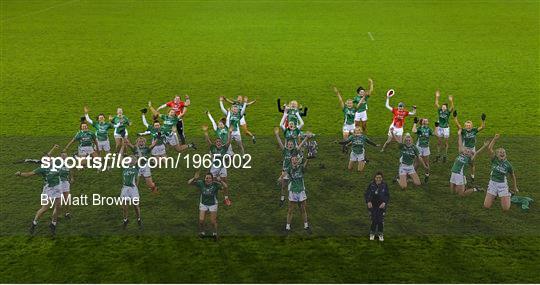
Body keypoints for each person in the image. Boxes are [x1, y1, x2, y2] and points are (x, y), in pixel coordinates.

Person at [15, 144, 62, 236]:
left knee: (58, 206)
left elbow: (48, 155)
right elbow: (29, 174)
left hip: (58, 187)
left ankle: (53, 224)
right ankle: (34, 223)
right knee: (45, 208)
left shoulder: (55, 163)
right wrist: (20, 173)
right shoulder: (42, 169)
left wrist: (53, 148)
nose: (49, 159)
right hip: (49, 189)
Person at [188, 171, 231, 241]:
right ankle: (202, 233)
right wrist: (194, 178)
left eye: (210, 178)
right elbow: (189, 183)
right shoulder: (201, 183)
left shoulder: (216, 184)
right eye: (206, 178)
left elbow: (225, 187)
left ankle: (215, 233)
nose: (208, 180)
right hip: (203, 203)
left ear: (212, 179)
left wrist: (220, 180)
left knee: (213, 222)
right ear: (204, 179)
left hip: (213, 204)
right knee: (201, 221)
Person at [275, 127, 311, 207]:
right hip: (285, 170)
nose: (290, 145)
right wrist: (277, 135)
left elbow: (301, 145)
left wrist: (306, 138)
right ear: (287, 145)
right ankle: (282, 198)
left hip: (293, 171)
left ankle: (298, 200)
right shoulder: (285, 151)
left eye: (291, 144)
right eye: (289, 144)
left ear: (293, 145)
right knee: (283, 186)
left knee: (295, 185)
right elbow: (280, 143)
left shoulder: (295, 151)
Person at [483, 134, 518, 211]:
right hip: (492, 183)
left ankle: (509, 194)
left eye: (504, 152)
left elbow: (512, 175)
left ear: (506, 155)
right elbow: (489, 148)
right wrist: (494, 139)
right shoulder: (494, 160)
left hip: (502, 185)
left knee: (506, 209)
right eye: (500, 152)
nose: (502, 153)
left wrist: (515, 186)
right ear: (496, 154)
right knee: (486, 206)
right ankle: (495, 194)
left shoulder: (508, 165)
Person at [450, 131, 489, 197]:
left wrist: (484, 146)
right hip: (453, 173)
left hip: (459, 175)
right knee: (452, 192)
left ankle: (475, 189)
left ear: (470, 154)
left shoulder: (469, 159)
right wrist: (459, 135)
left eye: (469, 151)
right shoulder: (460, 154)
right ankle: (464, 186)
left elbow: (477, 153)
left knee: (461, 194)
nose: (466, 151)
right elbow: (460, 144)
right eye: (466, 150)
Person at [453, 110, 486, 181]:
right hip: (464, 148)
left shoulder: (474, 130)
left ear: (472, 126)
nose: (468, 126)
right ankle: (461, 175)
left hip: (472, 148)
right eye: (467, 125)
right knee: (462, 162)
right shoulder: (463, 131)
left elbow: (482, 127)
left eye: (469, 125)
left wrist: (483, 120)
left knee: (472, 163)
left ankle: (472, 176)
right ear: (465, 126)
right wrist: (455, 117)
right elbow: (457, 125)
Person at [332, 86, 366, 152]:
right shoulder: (345, 109)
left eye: (351, 103)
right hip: (346, 126)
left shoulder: (354, 109)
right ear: (347, 104)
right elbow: (341, 101)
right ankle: (344, 147)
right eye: (348, 103)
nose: (350, 104)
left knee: (356, 137)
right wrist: (337, 93)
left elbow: (359, 103)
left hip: (353, 126)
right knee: (346, 138)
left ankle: (347, 145)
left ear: (352, 104)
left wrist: (363, 97)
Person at [118, 144, 142, 229]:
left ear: (135, 161)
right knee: (124, 206)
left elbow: (140, 157)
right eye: (130, 159)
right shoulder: (125, 167)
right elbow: (120, 157)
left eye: (133, 159)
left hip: (133, 189)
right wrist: (122, 147)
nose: (131, 160)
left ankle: (139, 219)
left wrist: (137, 147)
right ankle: (125, 220)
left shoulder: (136, 167)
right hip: (125, 188)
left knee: (136, 205)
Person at [285, 155, 311, 234]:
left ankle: (306, 226)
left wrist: (308, 159)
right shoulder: (289, 168)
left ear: (298, 161)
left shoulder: (301, 168)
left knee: (303, 209)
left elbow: (305, 166)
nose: (294, 161)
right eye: (293, 159)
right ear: (291, 161)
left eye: (296, 159)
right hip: (293, 191)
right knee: (290, 210)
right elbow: (285, 174)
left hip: (301, 191)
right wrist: (281, 178)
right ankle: (287, 226)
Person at [364, 171, 389, 241]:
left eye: (380, 177)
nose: (378, 179)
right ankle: (372, 234)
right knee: (374, 220)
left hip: (381, 206)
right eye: (377, 177)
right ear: (375, 178)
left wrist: (384, 203)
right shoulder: (371, 185)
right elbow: (366, 194)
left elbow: (387, 195)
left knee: (380, 220)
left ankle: (380, 234)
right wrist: (368, 201)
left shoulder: (385, 185)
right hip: (373, 205)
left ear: (382, 178)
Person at [434, 91, 454, 162]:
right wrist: (437, 96)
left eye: (444, 106)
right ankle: (438, 154)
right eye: (442, 106)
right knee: (439, 142)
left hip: (446, 128)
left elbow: (452, 107)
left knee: (446, 142)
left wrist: (451, 101)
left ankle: (445, 155)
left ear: (446, 108)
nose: (443, 107)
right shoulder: (439, 110)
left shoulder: (448, 112)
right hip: (440, 128)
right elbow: (436, 104)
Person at [411, 117, 433, 182]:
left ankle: (427, 174)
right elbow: (413, 131)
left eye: (426, 121)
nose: (425, 121)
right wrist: (415, 123)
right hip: (419, 147)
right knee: (416, 162)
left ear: (428, 122)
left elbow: (434, 134)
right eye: (424, 121)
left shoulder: (429, 129)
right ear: (422, 122)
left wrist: (437, 127)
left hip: (426, 147)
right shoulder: (419, 128)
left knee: (426, 163)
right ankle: (413, 175)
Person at [58, 151, 74, 219]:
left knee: (67, 199)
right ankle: (57, 214)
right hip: (59, 183)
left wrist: (72, 178)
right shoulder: (57, 163)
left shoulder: (68, 164)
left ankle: (67, 213)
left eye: (65, 155)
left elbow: (71, 171)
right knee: (59, 200)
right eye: (63, 156)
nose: (64, 157)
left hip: (66, 183)